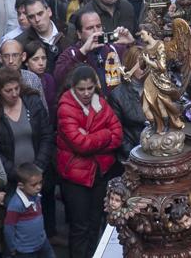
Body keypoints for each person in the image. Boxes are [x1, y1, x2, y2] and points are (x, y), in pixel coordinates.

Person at [55, 65, 123, 258]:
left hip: (100, 173)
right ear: (73, 88)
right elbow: (81, 145)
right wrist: (104, 134)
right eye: (81, 89)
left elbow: (118, 135)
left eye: (90, 88)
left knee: (96, 224)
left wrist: (93, 136)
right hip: (76, 178)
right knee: (80, 228)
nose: (86, 93)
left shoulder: (99, 102)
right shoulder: (65, 107)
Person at [0, 68, 54, 188]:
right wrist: (17, 174)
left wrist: (38, 167)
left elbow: (47, 135)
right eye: (8, 90)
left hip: (40, 173)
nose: (14, 94)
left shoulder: (33, 102)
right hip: (11, 180)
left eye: (17, 88)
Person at [2, 163, 53, 258]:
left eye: (40, 182)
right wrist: (12, 248)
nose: (39, 187)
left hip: (42, 242)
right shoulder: (16, 205)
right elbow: (8, 228)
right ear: (21, 185)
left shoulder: (36, 195)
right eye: (34, 185)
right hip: (25, 250)